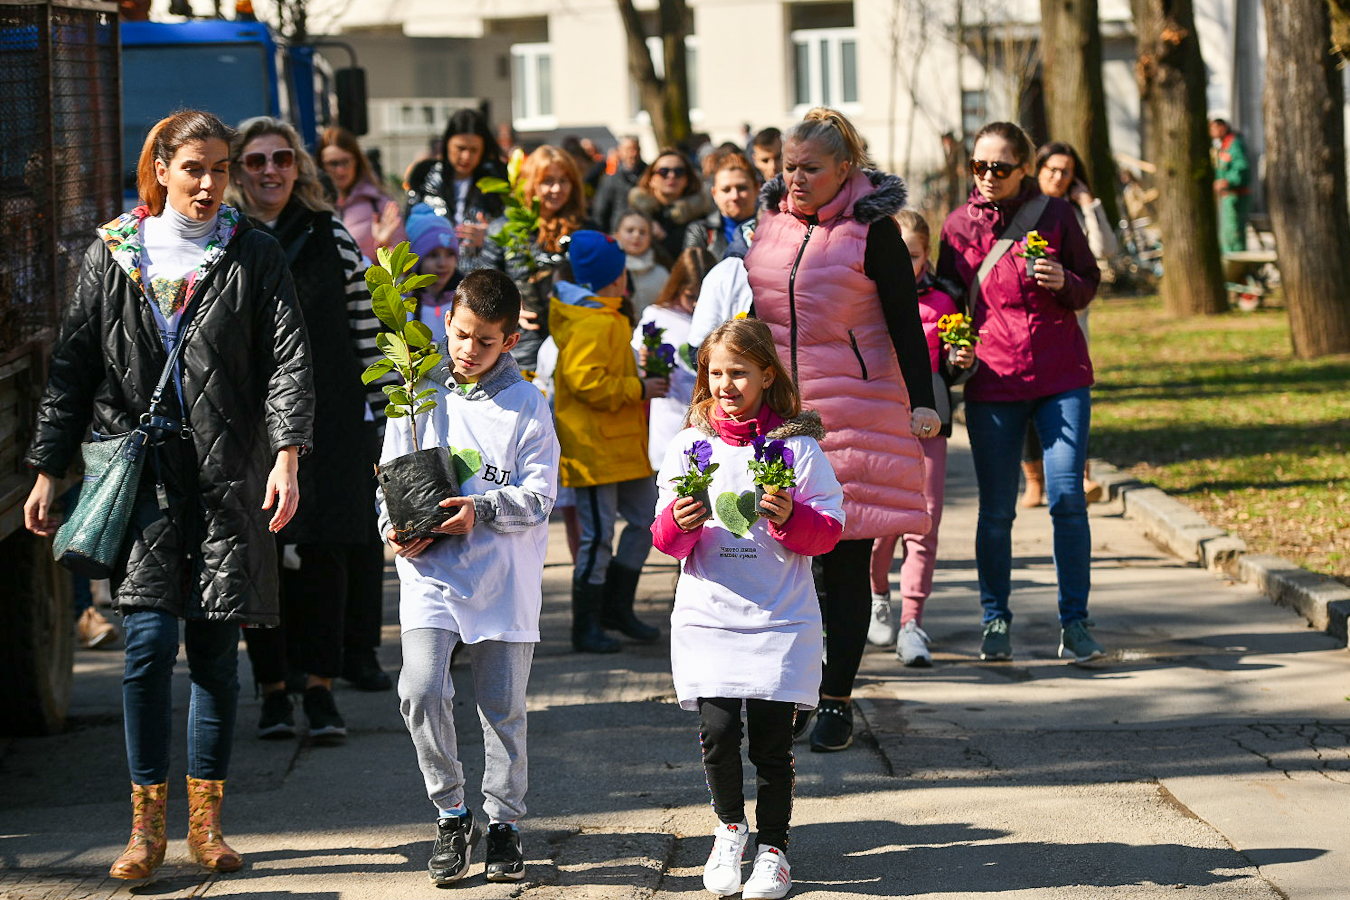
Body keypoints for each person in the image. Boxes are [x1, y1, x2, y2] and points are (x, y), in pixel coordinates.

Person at [22, 109, 313, 878]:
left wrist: (287, 457)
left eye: (220, 169)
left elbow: (289, 360)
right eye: (194, 169)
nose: (210, 184)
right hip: (142, 476)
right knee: (147, 647)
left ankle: (206, 830)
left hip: (228, 474)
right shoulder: (114, 252)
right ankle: (145, 831)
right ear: (160, 171)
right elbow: (73, 367)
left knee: (215, 651)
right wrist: (49, 467)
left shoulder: (253, 252)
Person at [744, 107, 938, 754]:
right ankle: (802, 687)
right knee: (787, 558)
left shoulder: (871, 232)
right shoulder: (770, 227)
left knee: (845, 557)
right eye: (788, 167)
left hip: (854, 412)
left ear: (845, 168)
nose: (795, 179)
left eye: (811, 168)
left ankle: (837, 698)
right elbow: (757, 316)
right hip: (781, 414)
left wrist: (923, 402)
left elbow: (905, 322)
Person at [652, 317, 844, 900]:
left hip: (778, 618)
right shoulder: (689, 446)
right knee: (716, 733)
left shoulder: (797, 448)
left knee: (770, 744)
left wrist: (791, 517)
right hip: (709, 616)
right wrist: (679, 523)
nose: (726, 385)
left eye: (738, 372)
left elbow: (829, 530)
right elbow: (664, 537)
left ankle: (773, 850)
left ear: (767, 375)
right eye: (715, 373)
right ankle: (730, 829)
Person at [379, 269, 559, 887]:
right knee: (420, 688)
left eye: (484, 341)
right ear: (445, 321)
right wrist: (392, 526)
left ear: (510, 341)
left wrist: (480, 509)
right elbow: (389, 476)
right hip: (432, 571)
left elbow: (540, 496)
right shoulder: (416, 392)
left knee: (501, 707)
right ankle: (451, 812)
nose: (466, 350)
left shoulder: (527, 404)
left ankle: (504, 822)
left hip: (503, 579)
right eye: (459, 334)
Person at [228, 116, 385, 743]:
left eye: (283, 159)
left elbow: (366, 329)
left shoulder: (331, 234)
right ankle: (272, 691)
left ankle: (320, 689)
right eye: (256, 161)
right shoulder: (223, 238)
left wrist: (389, 420)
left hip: (331, 418)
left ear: (299, 167)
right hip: (244, 422)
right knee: (257, 555)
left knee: (325, 553)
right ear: (237, 171)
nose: (271, 171)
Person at [937, 121, 1103, 664]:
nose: (987, 176)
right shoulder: (957, 227)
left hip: (1061, 377)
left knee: (1067, 498)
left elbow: (1089, 281)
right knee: (996, 511)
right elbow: (948, 302)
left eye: (1000, 168)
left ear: (1023, 169)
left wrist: (1065, 281)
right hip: (994, 380)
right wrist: (953, 351)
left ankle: (1075, 623)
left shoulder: (1056, 215)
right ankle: (995, 619)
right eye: (978, 166)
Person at [550, 231, 669, 653]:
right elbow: (584, 381)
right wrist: (638, 388)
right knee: (597, 537)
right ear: (615, 278)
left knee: (647, 518)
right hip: (594, 449)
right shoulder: (592, 320)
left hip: (621, 445)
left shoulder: (608, 316)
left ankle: (616, 608)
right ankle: (587, 625)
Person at [866, 211, 976, 664]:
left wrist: (959, 361)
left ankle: (913, 622)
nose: (904, 264)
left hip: (930, 422)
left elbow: (952, 370)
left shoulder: (946, 299)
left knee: (924, 523)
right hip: (878, 421)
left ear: (926, 254)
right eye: (897, 254)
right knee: (879, 525)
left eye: (912, 255)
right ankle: (877, 596)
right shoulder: (866, 294)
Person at [1031, 140, 1113, 506]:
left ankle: (1081, 475)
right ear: (1037, 170)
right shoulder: (1026, 211)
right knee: (1030, 395)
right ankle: (1035, 477)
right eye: (1052, 170)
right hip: (1033, 319)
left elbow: (1105, 250)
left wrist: (1089, 205)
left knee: (1071, 393)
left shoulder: (1076, 212)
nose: (1059, 177)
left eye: (1067, 172)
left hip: (1075, 318)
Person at [483, 145, 594, 375]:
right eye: (547, 181)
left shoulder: (587, 231)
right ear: (530, 183)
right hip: (523, 346)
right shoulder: (506, 229)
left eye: (564, 180)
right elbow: (481, 286)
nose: (557, 188)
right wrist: (508, 305)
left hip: (579, 343)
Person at [633, 248, 715, 470]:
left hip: (710, 430)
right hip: (668, 429)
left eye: (702, 297)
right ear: (677, 287)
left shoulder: (719, 320)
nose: (696, 304)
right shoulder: (657, 315)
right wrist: (642, 362)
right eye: (690, 296)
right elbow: (634, 362)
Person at [406, 108, 508, 274]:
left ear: (483, 149)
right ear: (447, 144)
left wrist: (491, 236)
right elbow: (409, 229)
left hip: (482, 279)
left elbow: (514, 232)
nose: (466, 156)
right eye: (460, 148)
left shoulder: (498, 183)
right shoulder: (424, 179)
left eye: (474, 150)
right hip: (431, 280)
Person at [317, 125, 408, 263]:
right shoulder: (313, 205)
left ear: (357, 161)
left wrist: (384, 246)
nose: (340, 170)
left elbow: (401, 268)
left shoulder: (379, 203)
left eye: (345, 161)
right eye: (332, 163)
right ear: (321, 165)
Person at [627, 147, 713, 266]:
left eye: (679, 171)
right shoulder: (635, 214)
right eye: (663, 171)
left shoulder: (701, 215)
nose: (671, 175)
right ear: (651, 178)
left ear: (687, 179)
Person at [685, 152, 759, 261]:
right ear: (714, 194)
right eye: (726, 190)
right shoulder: (701, 232)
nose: (735, 196)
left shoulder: (775, 225)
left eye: (742, 188)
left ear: (757, 189)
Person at [406, 203, 459, 344]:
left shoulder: (465, 302)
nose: (442, 263)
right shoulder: (401, 304)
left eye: (450, 254)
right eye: (433, 255)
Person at [614, 208, 670, 315]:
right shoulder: (607, 270)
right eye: (630, 230)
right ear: (617, 234)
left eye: (643, 232)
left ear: (650, 238)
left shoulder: (661, 274)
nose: (636, 236)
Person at [1209, 117, 1250, 254]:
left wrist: (1227, 181)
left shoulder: (1234, 144)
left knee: (1234, 235)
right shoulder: (1223, 146)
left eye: (1214, 128)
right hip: (1227, 197)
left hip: (1236, 196)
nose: (1211, 132)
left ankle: (1238, 263)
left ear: (1223, 128)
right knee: (1226, 234)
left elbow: (1241, 167)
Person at [591, 135, 646, 234]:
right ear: (620, 152)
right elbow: (600, 209)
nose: (633, 154)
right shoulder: (611, 178)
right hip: (618, 232)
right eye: (629, 149)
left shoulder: (648, 175)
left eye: (636, 149)